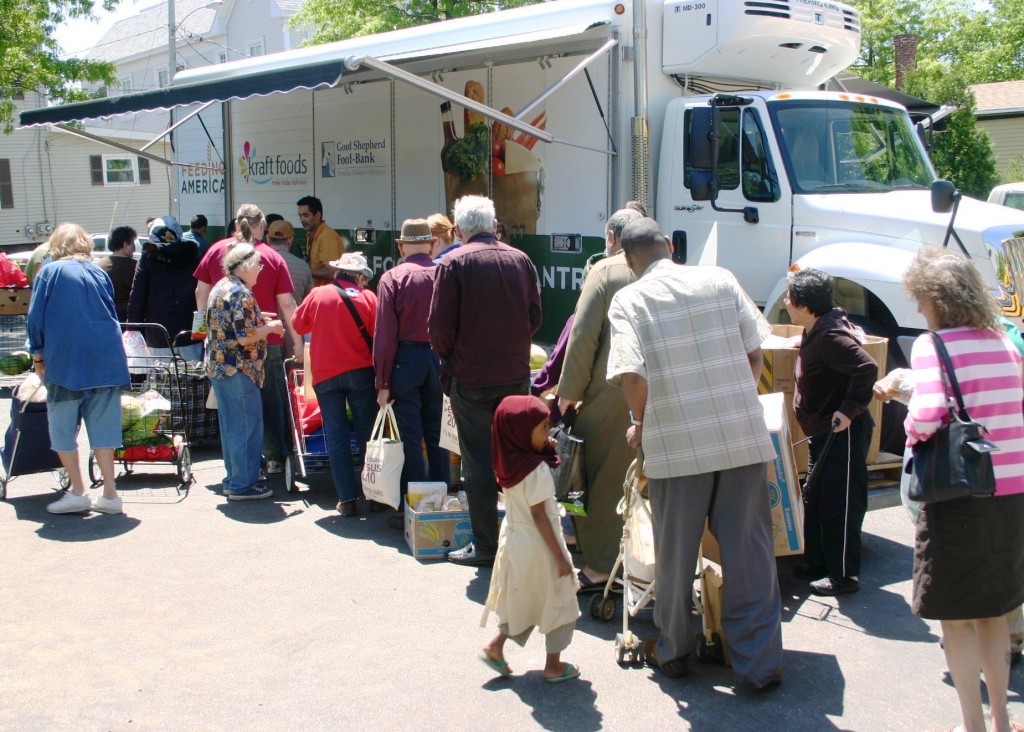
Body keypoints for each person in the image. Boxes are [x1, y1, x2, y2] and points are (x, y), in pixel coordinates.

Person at [606, 217, 782, 689]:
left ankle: (673, 651)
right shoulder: (720, 279)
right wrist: (730, 400)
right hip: (741, 437)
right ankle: (758, 665)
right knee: (750, 554)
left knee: (675, 555)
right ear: (668, 245)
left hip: (675, 445)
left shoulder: (629, 299)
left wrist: (640, 423)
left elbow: (632, 376)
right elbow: (754, 354)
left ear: (627, 258)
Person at [901, 247, 1024, 732]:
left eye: (919, 299)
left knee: (956, 616)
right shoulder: (1005, 341)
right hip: (1012, 492)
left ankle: (972, 725)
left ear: (936, 299)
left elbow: (928, 413)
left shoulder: (934, 346)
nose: (917, 309)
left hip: (961, 495)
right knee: (994, 612)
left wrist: (909, 424)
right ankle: (1000, 720)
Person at [429, 195, 542, 567]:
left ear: (458, 230)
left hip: (472, 377)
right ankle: (523, 539)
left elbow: (439, 329)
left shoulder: (453, 262)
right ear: (494, 225)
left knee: (477, 462)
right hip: (514, 376)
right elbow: (534, 317)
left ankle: (486, 547)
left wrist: (453, 359)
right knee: (517, 460)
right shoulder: (520, 260)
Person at [555, 207, 642, 590]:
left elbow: (583, 337)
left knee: (600, 482)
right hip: (663, 394)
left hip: (612, 394)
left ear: (611, 238)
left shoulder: (606, 271)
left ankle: (601, 568)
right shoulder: (670, 271)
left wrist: (568, 393)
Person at [27, 223, 130, 515]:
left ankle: (78, 490)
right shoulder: (98, 271)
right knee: (104, 430)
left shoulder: (49, 271)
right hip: (107, 358)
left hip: (67, 359)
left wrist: (37, 356)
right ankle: (110, 494)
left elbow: (36, 317)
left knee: (62, 430)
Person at [786, 268, 877, 596]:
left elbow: (867, 367)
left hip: (842, 432)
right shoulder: (819, 327)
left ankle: (844, 576)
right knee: (817, 497)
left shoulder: (829, 335)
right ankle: (818, 561)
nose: (786, 301)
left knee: (841, 502)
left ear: (803, 305)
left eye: (790, 298)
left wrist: (848, 409)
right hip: (822, 432)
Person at [479, 395, 581, 683]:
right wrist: (560, 557)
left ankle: (495, 647)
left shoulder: (510, 462)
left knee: (524, 599)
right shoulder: (535, 469)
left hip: (516, 541)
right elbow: (540, 516)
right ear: (521, 433)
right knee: (561, 599)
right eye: (543, 427)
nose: (548, 432)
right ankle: (554, 666)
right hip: (540, 545)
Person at [195, 204, 302, 476]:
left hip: (223, 350)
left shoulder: (216, 251)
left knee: (232, 415)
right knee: (266, 409)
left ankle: (239, 470)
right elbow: (287, 304)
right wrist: (297, 342)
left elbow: (201, 293)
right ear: (262, 226)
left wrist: (209, 332)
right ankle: (272, 460)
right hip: (263, 347)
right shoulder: (269, 257)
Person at [373, 219, 450, 529]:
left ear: (401, 246)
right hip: (441, 359)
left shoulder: (392, 278)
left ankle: (416, 507)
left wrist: (382, 382)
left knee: (410, 436)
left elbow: (385, 335)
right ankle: (443, 503)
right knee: (438, 435)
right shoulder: (446, 274)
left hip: (406, 360)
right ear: (432, 245)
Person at [292, 253, 378, 516]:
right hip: (362, 373)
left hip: (326, 374)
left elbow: (298, 323)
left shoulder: (319, 295)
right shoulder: (369, 298)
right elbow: (379, 334)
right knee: (367, 436)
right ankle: (374, 495)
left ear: (337, 272)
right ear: (360, 276)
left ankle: (347, 498)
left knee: (337, 435)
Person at [206, 241, 284, 501]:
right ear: (246, 266)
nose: (260, 269)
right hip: (239, 368)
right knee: (247, 428)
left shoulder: (222, 286)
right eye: (258, 265)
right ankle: (243, 484)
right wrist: (271, 328)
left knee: (232, 428)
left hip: (221, 366)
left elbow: (235, 325)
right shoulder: (241, 292)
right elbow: (245, 336)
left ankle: (234, 479)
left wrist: (262, 319)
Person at [127, 216, 202, 360]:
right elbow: (202, 289)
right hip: (190, 329)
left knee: (162, 380)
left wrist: (133, 327)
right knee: (192, 378)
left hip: (158, 332)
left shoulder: (149, 257)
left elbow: (138, 294)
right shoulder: (193, 253)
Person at [297, 195, 344, 287]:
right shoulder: (310, 234)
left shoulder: (326, 236)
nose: (302, 219)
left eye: (306, 215)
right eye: (300, 216)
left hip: (328, 295)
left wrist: (305, 270)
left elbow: (332, 272)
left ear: (318, 215)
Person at [96, 225, 138, 323]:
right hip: (130, 318)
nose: (134, 248)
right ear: (125, 245)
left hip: (105, 315)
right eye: (132, 244)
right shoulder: (136, 267)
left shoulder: (99, 266)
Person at [267, 219, 312, 307]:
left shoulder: (256, 264)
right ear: (290, 240)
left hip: (265, 320)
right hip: (293, 319)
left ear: (268, 238)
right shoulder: (303, 267)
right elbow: (310, 301)